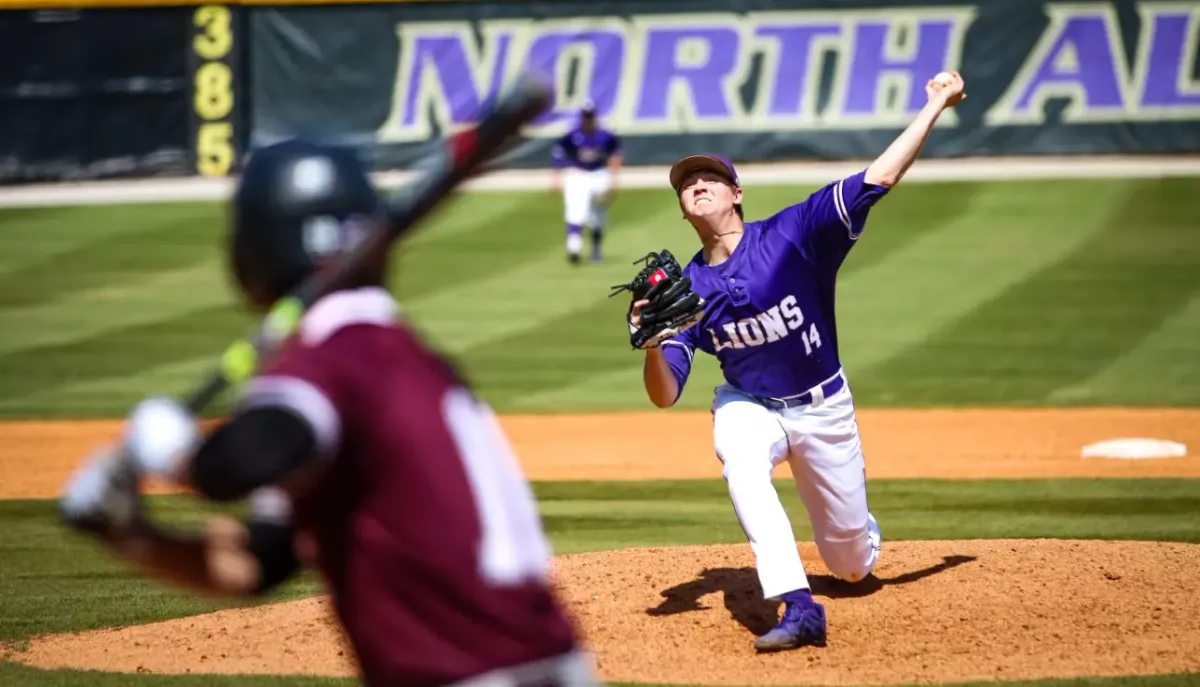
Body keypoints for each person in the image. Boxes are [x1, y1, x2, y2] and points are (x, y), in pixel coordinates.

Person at [58, 140, 597, 686]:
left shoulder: (333, 355)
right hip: (547, 664)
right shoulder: (394, 351)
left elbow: (234, 465)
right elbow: (259, 564)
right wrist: (130, 534)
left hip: (463, 674)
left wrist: (170, 451)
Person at [629, 72, 967, 653]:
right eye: (688, 184)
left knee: (852, 566)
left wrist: (936, 103)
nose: (699, 185)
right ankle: (799, 604)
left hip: (823, 408)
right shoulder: (684, 291)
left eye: (711, 177)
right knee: (739, 457)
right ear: (683, 210)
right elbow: (664, 394)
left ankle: (858, 540)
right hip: (750, 404)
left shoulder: (793, 234)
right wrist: (655, 342)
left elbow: (879, 177)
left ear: (737, 194)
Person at [550, 101, 622, 264]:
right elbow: (559, 153)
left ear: (595, 117)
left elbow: (615, 154)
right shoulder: (572, 134)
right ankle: (574, 248)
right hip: (577, 174)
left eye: (590, 116)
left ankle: (596, 249)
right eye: (585, 116)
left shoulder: (605, 135)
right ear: (581, 117)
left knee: (598, 213)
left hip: (599, 174)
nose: (588, 119)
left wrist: (614, 180)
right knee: (575, 209)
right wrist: (556, 177)